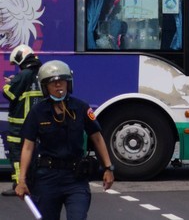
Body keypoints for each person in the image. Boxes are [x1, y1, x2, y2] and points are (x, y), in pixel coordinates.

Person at [14, 60, 114, 220]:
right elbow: (28, 147)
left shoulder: (81, 108)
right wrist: (21, 180)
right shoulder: (37, 112)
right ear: (45, 87)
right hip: (47, 178)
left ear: (69, 83)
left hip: (76, 178)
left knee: (78, 217)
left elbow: (97, 137)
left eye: (62, 82)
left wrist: (109, 168)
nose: (59, 86)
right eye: (53, 83)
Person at [1, 45, 43, 197]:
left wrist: (7, 85)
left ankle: (19, 184)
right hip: (35, 123)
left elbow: (10, 94)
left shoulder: (24, 74)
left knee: (17, 155)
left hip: (19, 124)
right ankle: (31, 183)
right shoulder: (41, 72)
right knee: (32, 154)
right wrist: (15, 81)